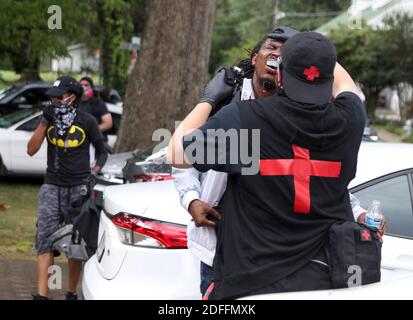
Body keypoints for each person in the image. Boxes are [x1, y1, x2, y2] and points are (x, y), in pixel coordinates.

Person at [172, 27, 375, 297]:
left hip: (248, 280)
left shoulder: (245, 121)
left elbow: (176, 153)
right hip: (322, 278)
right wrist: (313, 47)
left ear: (279, 74)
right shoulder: (350, 119)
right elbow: (347, 87)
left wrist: (208, 99)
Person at [28, 76, 108, 300]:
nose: (54, 100)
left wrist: (95, 170)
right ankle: (42, 295)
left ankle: (71, 292)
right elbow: (31, 150)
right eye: (52, 97)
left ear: (72, 96)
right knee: (44, 238)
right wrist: (44, 122)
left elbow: (102, 150)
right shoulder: (49, 119)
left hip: (79, 189)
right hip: (52, 186)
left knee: (76, 242)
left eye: (58, 96)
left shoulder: (87, 120)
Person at [79, 76, 113, 148]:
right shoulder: (75, 103)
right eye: (81, 85)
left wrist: (92, 130)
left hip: (96, 143)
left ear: (91, 87)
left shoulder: (98, 103)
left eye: (86, 85)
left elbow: (108, 123)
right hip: (80, 144)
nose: (83, 87)